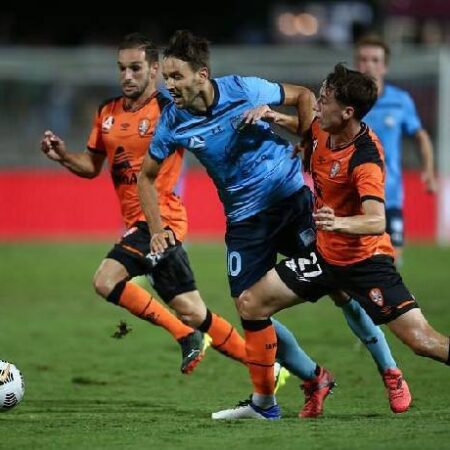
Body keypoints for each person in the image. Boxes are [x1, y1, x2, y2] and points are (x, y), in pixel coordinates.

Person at [138, 30, 410, 419]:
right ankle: (313, 378)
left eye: (177, 76)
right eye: (167, 77)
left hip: (289, 203)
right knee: (250, 309)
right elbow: (145, 177)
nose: (170, 85)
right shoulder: (172, 121)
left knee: (343, 292)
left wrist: (306, 142)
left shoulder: (243, 90)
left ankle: (391, 372)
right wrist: (156, 227)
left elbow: (302, 96)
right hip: (244, 222)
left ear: (202, 74)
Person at [213, 63, 449, 419]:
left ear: (348, 112)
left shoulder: (364, 158)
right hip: (323, 257)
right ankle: (300, 386)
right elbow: (305, 126)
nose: (316, 106)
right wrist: (274, 117)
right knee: (250, 304)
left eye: (323, 101)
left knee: (422, 342)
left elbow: (375, 220)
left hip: (365, 264)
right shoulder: (326, 128)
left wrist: (338, 221)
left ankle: (391, 373)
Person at [40, 32, 251, 375]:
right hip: (141, 227)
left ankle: (186, 337)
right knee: (194, 311)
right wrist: (63, 155)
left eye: (135, 68)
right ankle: (266, 368)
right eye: (121, 68)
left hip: (161, 223)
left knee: (105, 280)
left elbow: (213, 135)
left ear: (154, 70)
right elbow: (92, 167)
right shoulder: (106, 112)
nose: (127, 76)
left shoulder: (172, 110)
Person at [355, 35, 437, 266]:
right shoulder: (347, 102)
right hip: (354, 196)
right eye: (363, 59)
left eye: (374, 59)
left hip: (389, 195)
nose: (369, 64)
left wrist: (428, 171)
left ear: (385, 66)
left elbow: (421, 135)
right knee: (355, 263)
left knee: (391, 260)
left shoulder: (400, 101)